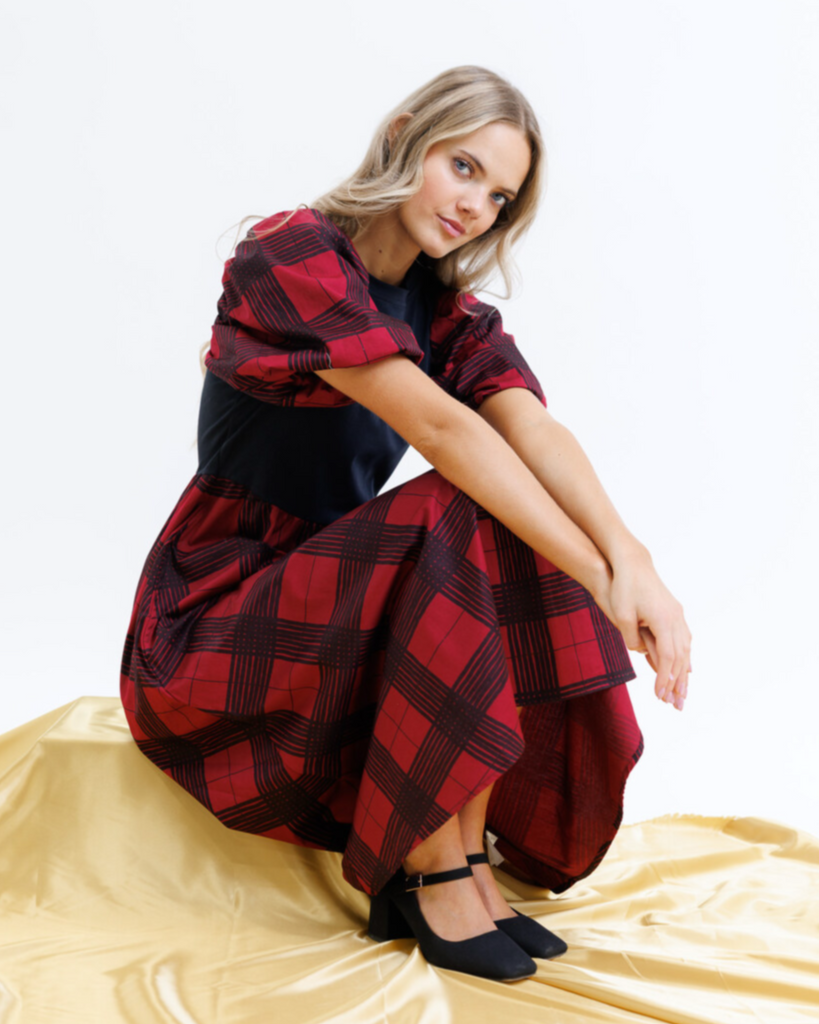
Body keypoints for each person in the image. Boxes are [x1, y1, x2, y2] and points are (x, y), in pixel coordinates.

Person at [120, 65, 692, 983]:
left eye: (498, 196)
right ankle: (429, 867)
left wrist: (634, 563)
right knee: (462, 498)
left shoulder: (442, 311)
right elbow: (443, 431)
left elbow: (531, 429)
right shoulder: (290, 255)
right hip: (213, 622)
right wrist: (595, 580)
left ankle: (460, 858)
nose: (474, 207)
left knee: (498, 510)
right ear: (403, 135)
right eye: (463, 167)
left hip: (337, 606)